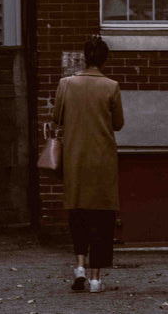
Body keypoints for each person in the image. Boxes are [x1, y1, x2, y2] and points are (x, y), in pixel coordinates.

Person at [52, 35, 124, 293]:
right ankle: (95, 279)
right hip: (103, 159)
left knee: (78, 213)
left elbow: (55, 117)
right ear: (104, 59)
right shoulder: (111, 87)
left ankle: (79, 266)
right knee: (103, 218)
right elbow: (118, 124)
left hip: (76, 158)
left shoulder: (66, 84)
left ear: (85, 57)